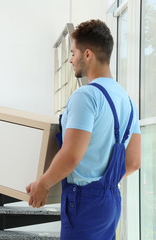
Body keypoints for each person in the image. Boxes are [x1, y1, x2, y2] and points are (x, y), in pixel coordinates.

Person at [26, 19, 141, 239]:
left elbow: (71, 155)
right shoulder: (126, 100)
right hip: (110, 200)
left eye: (73, 53)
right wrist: (102, 184)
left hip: (83, 202)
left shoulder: (85, 96)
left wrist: (43, 184)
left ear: (87, 55)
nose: (70, 59)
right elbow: (134, 161)